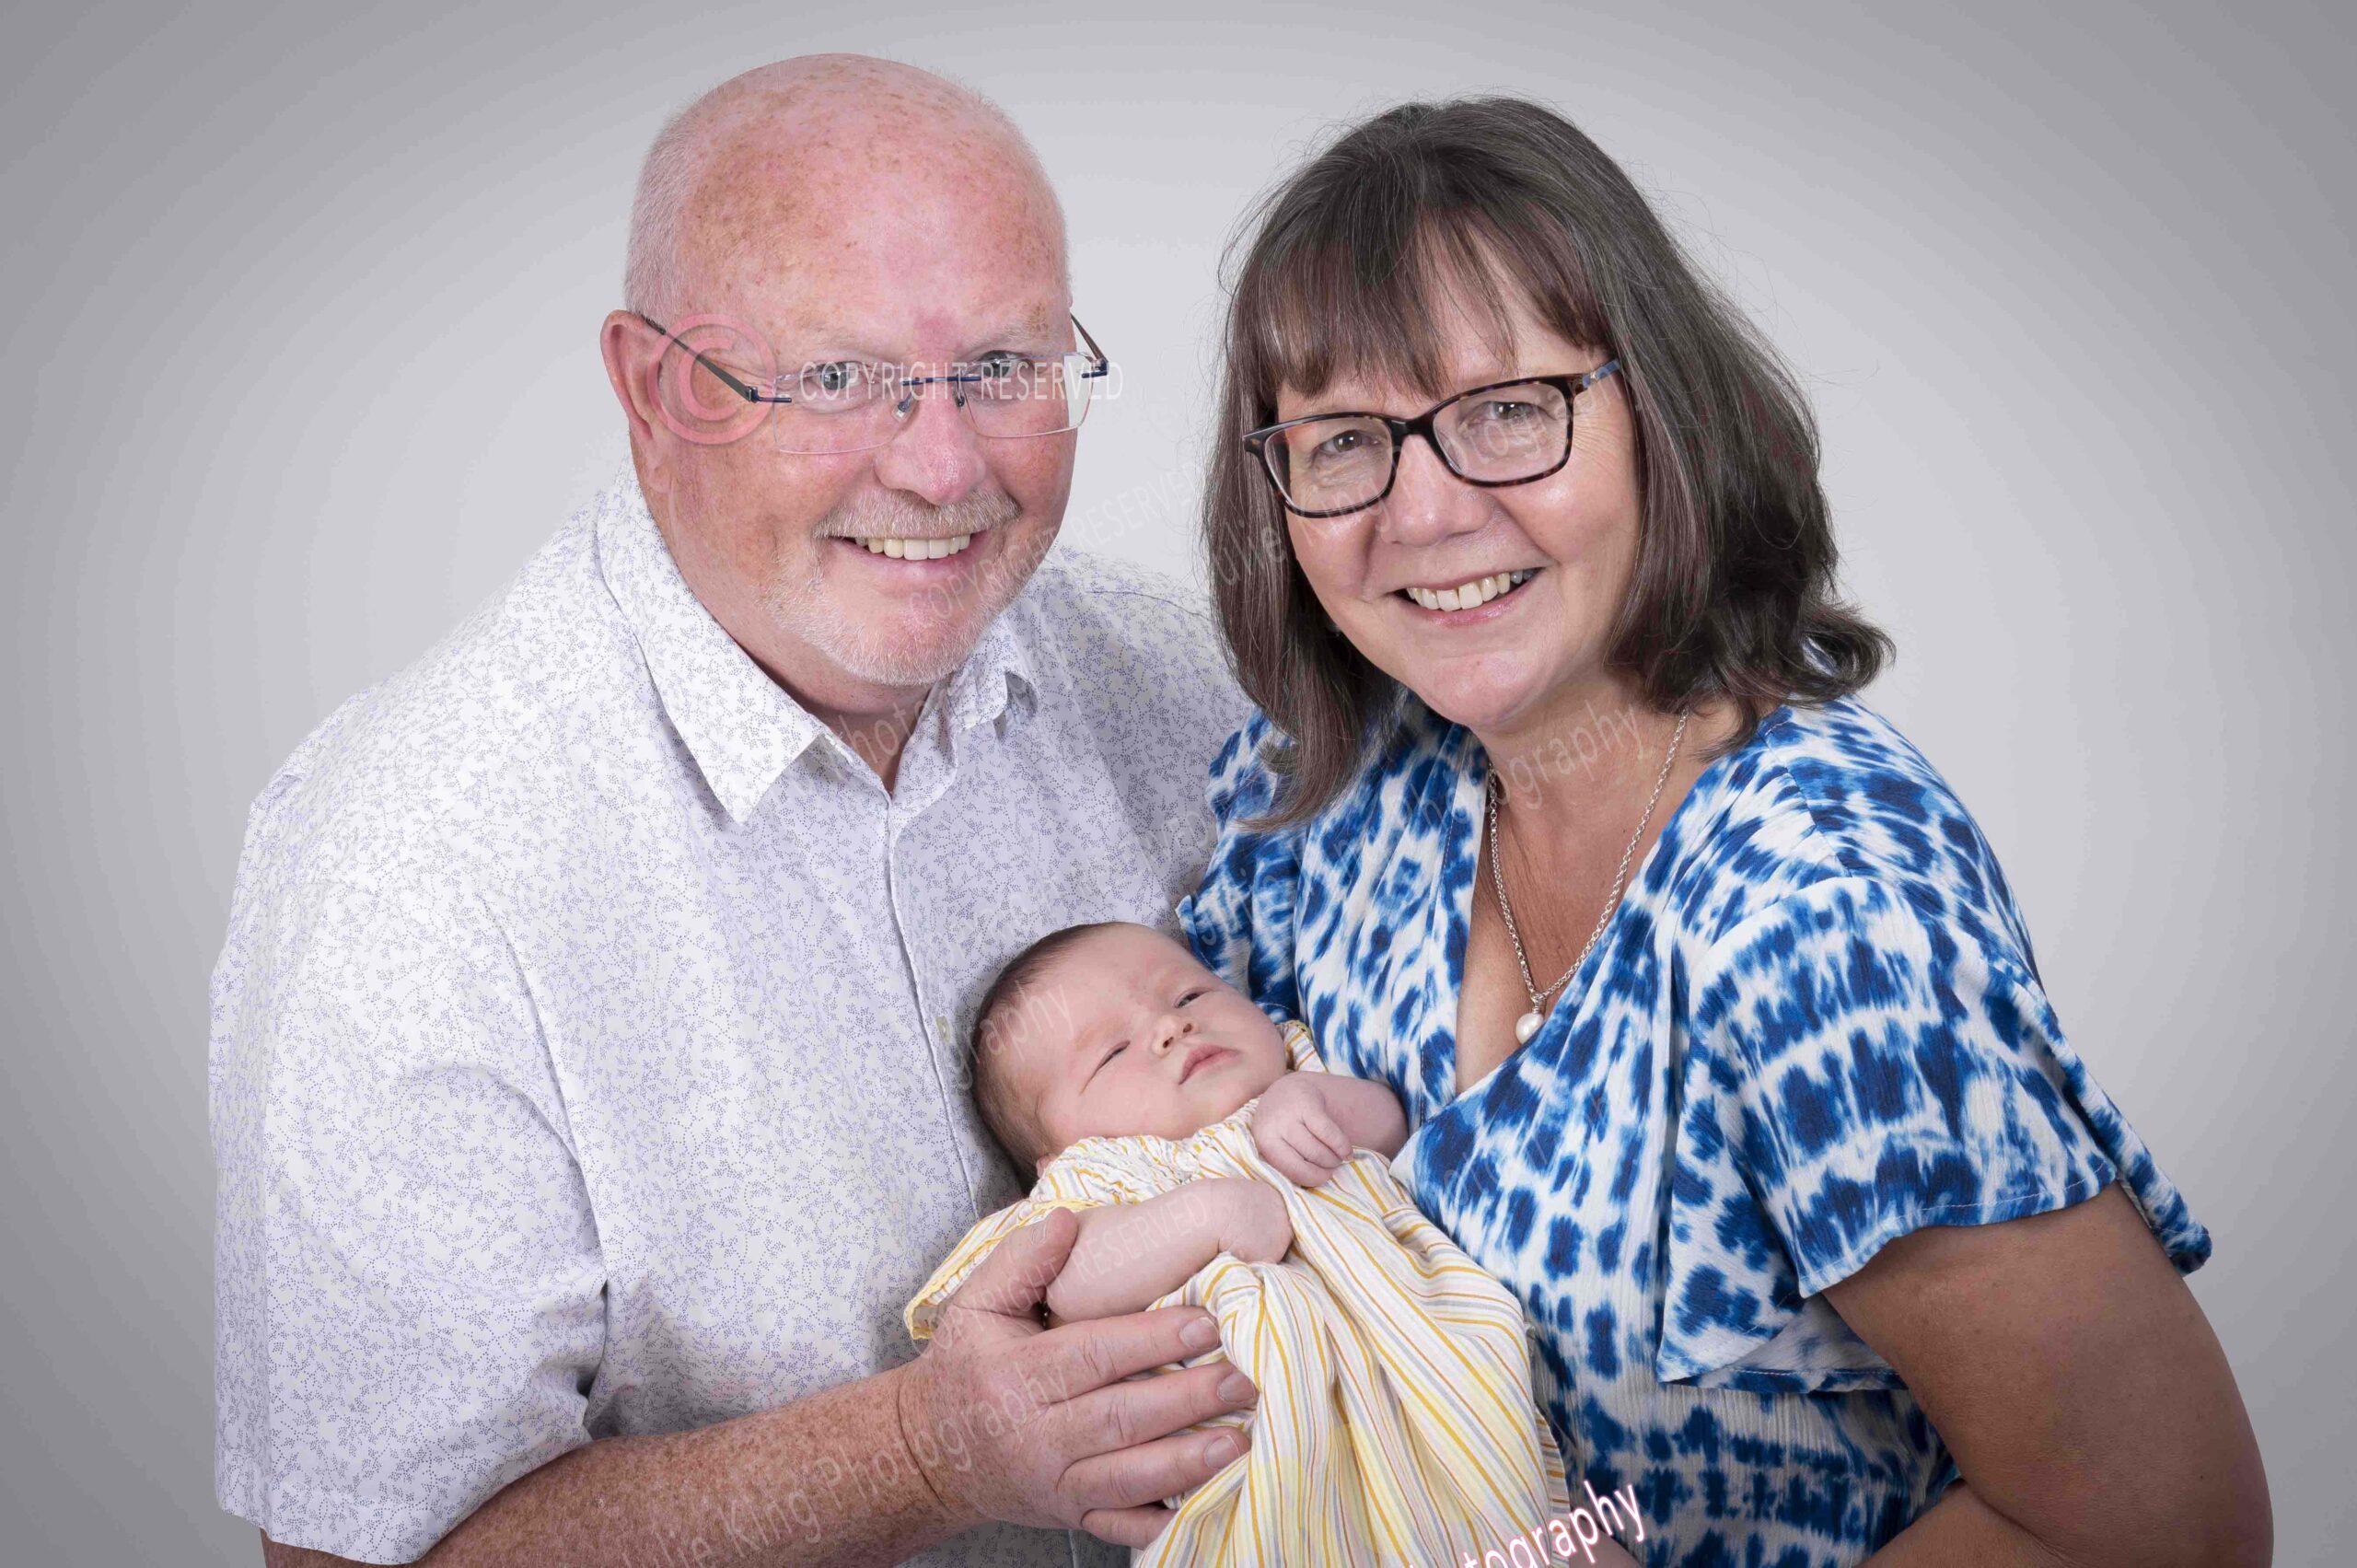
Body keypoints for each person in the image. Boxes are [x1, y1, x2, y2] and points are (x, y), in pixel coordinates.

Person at [1178, 97, 2273, 1566]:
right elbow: (1129, 1128)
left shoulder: (1816, 908)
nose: (1422, 511)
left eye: (1508, 411)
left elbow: (2162, 1527)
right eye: (1343, 439)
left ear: (1661, 414)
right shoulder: (1325, 790)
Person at [210, 56, 1256, 1567]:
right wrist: (921, 1450)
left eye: (1005, 368)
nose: (941, 463)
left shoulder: (1182, 696)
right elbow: (362, 1559)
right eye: (839, 377)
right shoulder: (413, 859)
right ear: (655, 389)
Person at [906, 920, 1640, 1567]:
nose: (1170, 1028)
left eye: (1189, 996)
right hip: (1278, 1495)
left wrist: (1309, 1100)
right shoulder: (1096, 1180)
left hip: (1457, 1428)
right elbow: (1066, 1283)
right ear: (1049, 1155)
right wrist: (1202, 1216)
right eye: (1112, 1051)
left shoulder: (1296, 1072)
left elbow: (1389, 1123)